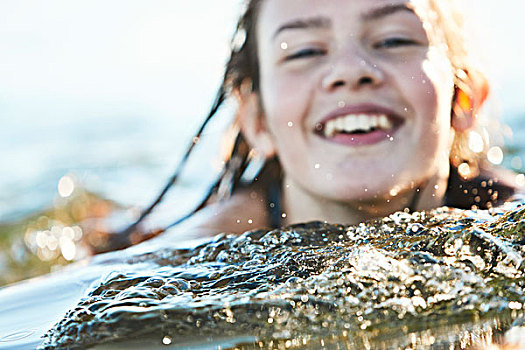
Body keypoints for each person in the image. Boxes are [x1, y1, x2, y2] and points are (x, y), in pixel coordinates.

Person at [104, 0, 521, 250]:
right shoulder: (185, 259)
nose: (351, 71)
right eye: (303, 51)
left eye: (393, 39)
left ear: (464, 100)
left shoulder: (507, 217)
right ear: (258, 121)